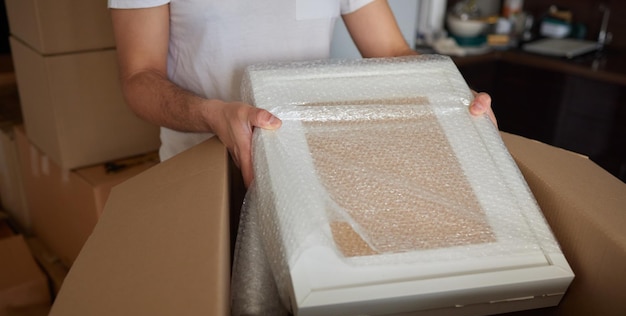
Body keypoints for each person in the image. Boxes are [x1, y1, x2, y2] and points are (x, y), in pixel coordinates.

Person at [109, 0, 497, 188]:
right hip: (198, 173)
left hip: (306, 170)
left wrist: (454, 93)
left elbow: (392, 52)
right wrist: (212, 114)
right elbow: (140, 77)